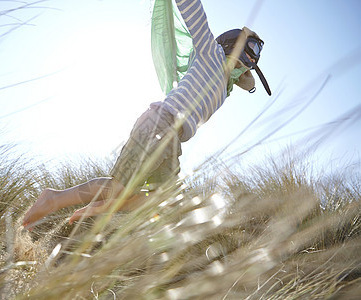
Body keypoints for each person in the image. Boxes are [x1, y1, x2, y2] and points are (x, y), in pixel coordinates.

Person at [22, 0, 271, 230]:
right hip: (159, 123)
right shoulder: (210, 54)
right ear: (232, 43)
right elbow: (194, 13)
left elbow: (246, 81)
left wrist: (245, 70)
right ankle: (53, 198)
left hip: (173, 139)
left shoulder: (226, 87)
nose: (252, 57)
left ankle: (105, 206)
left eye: (256, 56)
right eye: (250, 49)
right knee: (119, 187)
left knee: (164, 200)